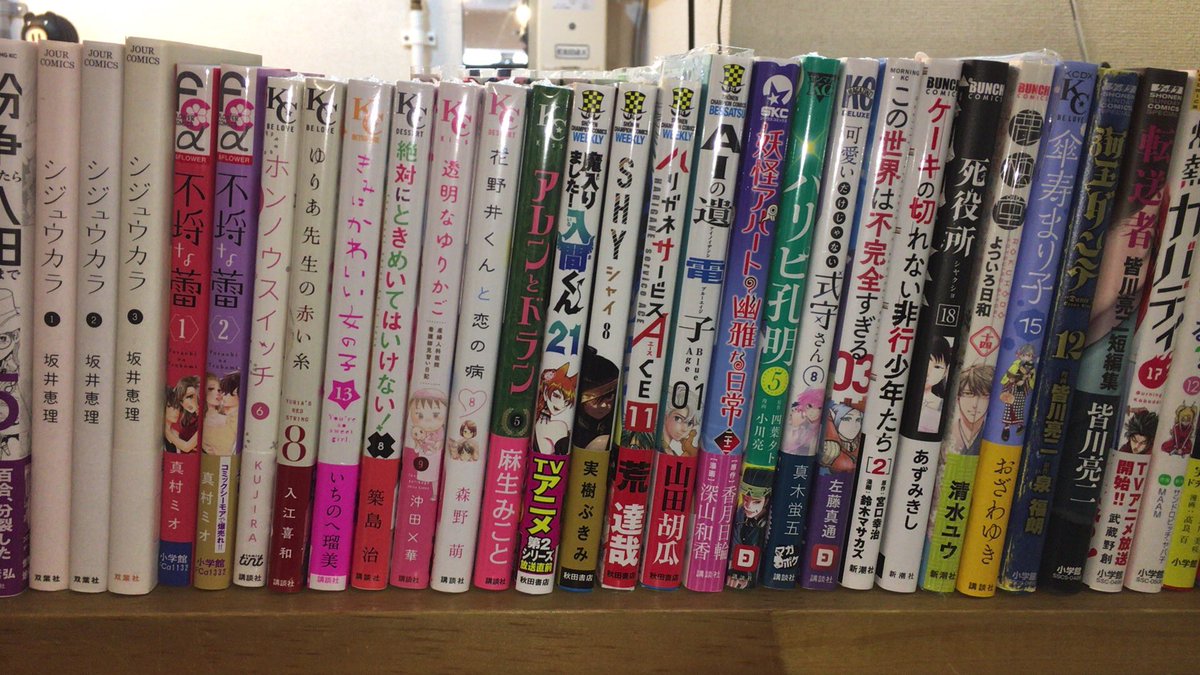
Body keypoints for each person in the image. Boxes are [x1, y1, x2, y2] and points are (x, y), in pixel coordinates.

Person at [950, 364, 994, 456]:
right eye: (968, 394)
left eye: (985, 395)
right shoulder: (949, 433)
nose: (975, 404)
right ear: (958, 397)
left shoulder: (992, 437)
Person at [533, 363, 575, 455]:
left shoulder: (560, 425)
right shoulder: (560, 426)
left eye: (566, 401)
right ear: (545, 392)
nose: (561, 405)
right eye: (556, 396)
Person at [999, 344, 1036, 441]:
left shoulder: (1032, 368)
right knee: (1009, 408)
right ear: (1020, 355)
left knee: (1019, 408)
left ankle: (1020, 425)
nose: (1026, 357)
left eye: (1029, 355)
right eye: (1024, 355)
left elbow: (1032, 380)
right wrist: (1011, 379)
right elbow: (1008, 375)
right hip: (1013, 390)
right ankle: (1006, 428)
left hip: (1021, 391)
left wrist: (1027, 378)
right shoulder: (1015, 365)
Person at [918, 337, 952, 434]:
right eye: (925, 363)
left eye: (937, 367)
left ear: (945, 371)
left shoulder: (940, 404)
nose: (929, 372)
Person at [202, 372, 240, 456]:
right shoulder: (224, 417)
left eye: (226, 392)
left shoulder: (233, 419)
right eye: (223, 391)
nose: (221, 395)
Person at [820, 402, 862, 473]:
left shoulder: (860, 444)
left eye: (858, 420)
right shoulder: (828, 447)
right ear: (834, 418)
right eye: (847, 419)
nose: (853, 425)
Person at [407, 389, 449, 461]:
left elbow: (439, 443)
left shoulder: (440, 431)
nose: (428, 421)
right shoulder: (415, 430)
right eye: (420, 416)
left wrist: (437, 445)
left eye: (435, 415)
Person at [782, 387, 824, 455]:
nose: (813, 412)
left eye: (819, 408)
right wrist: (795, 426)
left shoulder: (819, 427)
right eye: (809, 406)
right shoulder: (798, 420)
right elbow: (788, 443)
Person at [164, 375, 199, 453]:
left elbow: (186, 447)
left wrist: (167, 431)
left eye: (190, 396)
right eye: (181, 401)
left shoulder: (206, 420)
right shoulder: (189, 423)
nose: (185, 403)